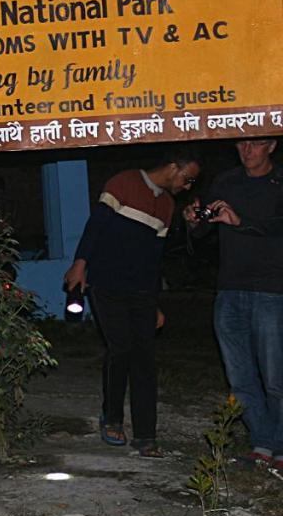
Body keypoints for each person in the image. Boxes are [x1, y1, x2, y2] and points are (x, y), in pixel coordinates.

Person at [63, 151, 202, 457]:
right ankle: (111, 418)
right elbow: (96, 225)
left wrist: (155, 303)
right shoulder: (124, 182)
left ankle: (145, 435)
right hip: (106, 283)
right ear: (171, 165)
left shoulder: (166, 205)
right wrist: (80, 263)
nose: (188, 185)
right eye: (187, 178)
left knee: (145, 358)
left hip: (140, 291)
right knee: (121, 348)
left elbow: (155, 260)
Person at [186, 138, 283, 467]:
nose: (247, 151)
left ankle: (280, 446)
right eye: (242, 144)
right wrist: (194, 220)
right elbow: (203, 232)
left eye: (255, 145)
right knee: (239, 374)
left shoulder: (279, 182)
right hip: (229, 288)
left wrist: (241, 222)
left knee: (275, 375)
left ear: (270, 146)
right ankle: (262, 444)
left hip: (273, 289)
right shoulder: (226, 181)